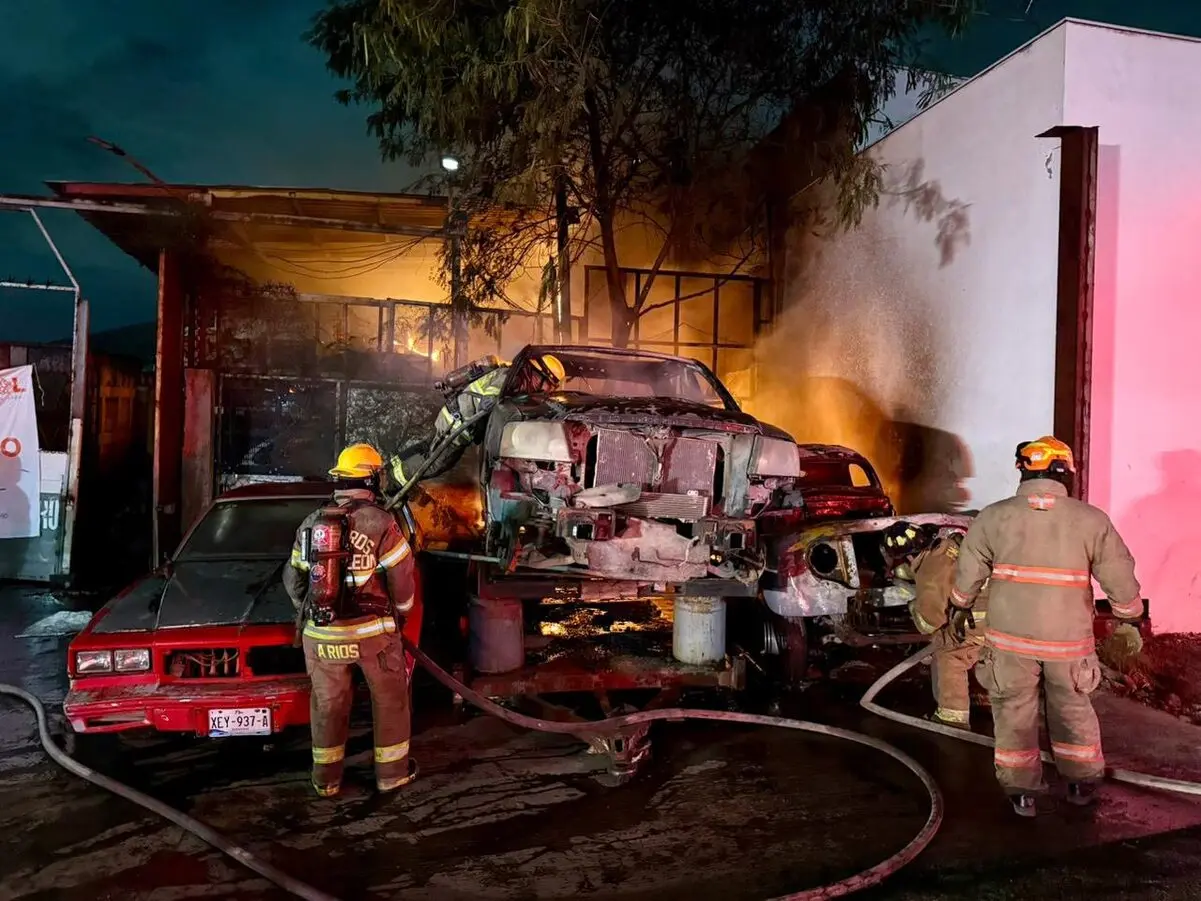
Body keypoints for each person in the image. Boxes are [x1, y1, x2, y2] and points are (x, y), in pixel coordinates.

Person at [949, 436, 1143, 817]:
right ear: (1065, 473)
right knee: (1071, 707)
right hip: (1068, 644)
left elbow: (968, 572)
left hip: (1009, 642)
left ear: (1024, 472)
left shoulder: (993, 517)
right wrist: (1130, 617)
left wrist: (958, 605)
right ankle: (1080, 784)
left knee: (1013, 711)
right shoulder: (1091, 520)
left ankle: (1022, 793)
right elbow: (1119, 575)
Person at [284, 443, 418, 798]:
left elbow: (293, 580)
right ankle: (391, 776)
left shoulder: (312, 523)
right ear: (372, 479)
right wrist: (401, 613)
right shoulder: (381, 522)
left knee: (327, 706)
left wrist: (313, 611)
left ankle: (326, 781)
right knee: (390, 702)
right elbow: (402, 579)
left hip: (321, 636)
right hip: (373, 637)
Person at [388, 352, 565, 491]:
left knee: (427, 447)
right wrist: (493, 404)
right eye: (549, 384)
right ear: (539, 375)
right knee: (436, 463)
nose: (548, 390)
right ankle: (393, 482)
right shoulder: (511, 378)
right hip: (457, 423)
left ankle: (390, 468)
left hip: (454, 415)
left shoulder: (516, 380)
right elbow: (489, 400)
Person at [884, 520, 988, 728]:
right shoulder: (948, 546)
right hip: (1004, 614)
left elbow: (929, 623)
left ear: (908, 556)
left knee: (950, 655)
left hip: (978, 621)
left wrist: (914, 606)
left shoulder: (930, 574)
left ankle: (952, 721)